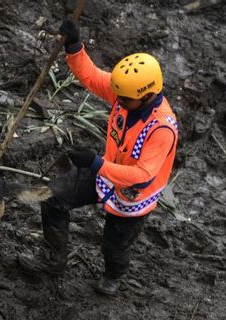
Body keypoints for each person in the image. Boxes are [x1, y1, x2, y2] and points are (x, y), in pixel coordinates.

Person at [18, 18, 179, 296]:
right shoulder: (125, 95)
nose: (118, 101)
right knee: (53, 197)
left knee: (114, 247)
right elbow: (91, 76)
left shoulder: (162, 128)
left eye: (125, 100)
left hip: (132, 195)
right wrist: (74, 46)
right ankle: (53, 260)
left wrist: (95, 163)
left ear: (148, 95)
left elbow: (143, 174)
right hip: (106, 172)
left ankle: (113, 275)